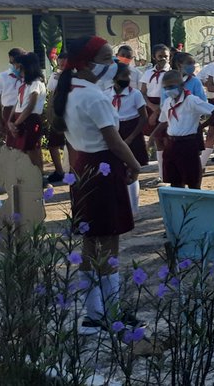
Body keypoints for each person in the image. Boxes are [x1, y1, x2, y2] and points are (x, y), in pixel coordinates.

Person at [51, 36, 142, 335]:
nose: (112, 63)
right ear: (88, 63)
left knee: (90, 242)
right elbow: (113, 140)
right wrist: (135, 164)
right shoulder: (94, 96)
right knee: (110, 242)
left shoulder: (69, 90)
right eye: (106, 57)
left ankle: (93, 313)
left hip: (81, 166)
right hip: (103, 167)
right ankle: (110, 310)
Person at [153, 70, 214, 189]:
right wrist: (153, 135)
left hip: (188, 143)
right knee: (175, 180)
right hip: (171, 143)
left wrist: (201, 126)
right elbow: (163, 121)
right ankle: (180, 205)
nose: (168, 90)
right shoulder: (168, 102)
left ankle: (194, 204)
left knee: (192, 179)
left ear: (182, 85)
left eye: (171, 86)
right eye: (165, 87)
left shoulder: (191, 100)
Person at [110, 64, 148, 217]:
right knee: (117, 169)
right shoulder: (107, 94)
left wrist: (132, 137)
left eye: (128, 76)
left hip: (131, 130)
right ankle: (120, 207)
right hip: (114, 130)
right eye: (123, 76)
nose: (127, 79)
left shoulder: (135, 94)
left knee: (133, 168)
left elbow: (143, 117)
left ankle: (133, 210)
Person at [7, 52, 46, 168]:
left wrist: (16, 123)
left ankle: (38, 176)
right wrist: (10, 121)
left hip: (29, 119)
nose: (15, 68)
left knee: (32, 149)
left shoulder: (36, 83)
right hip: (19, 118)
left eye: (16, 66)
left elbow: (30, 106)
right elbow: (18, 103)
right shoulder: (24, 84)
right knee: (22, 150)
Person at [140, 44, 171, 184]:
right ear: (154, 57)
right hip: (151, 105)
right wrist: (152, 107)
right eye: (160, 56)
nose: (163, 59)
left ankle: (170, 172)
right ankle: (162, 174)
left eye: (166, 56)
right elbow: (143, 92)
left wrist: (160, 109)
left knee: (167, 140)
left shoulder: (171, 73)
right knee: (158, 141)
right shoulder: (148, 73)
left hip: (166, 105)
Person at [0, 47, 25, 146]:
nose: (14, 65)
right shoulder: (2, 76)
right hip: (8, 111)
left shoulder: (28, 77)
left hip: (24, 110)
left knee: (24, 142)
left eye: (16, 62)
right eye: (11, 62)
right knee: (11, 141)